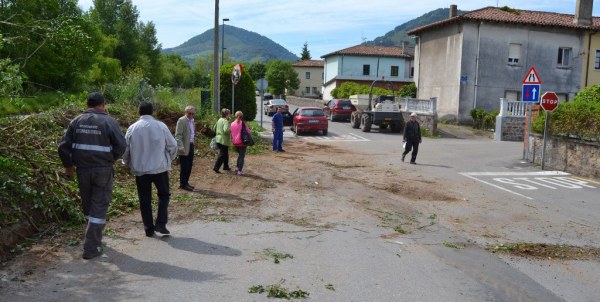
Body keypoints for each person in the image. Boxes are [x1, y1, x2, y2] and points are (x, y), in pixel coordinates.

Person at [58, 92, 126, 260]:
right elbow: (121, 146)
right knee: (99, 206)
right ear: (103, 105)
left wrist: (68, 168)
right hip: (102, 170)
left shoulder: (76, 121)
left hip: (82, 170)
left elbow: (63, 147)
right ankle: (91, 247)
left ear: (87, 104)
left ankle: (93, 237)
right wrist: (111, 158)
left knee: (89, 206)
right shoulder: (109, 121)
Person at [123, 102, 178, 237]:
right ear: (152, 112)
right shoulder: (160, 126)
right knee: (164, 195)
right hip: (159, 168)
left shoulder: (132, 128)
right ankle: (161, 223)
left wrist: (128, 163)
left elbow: (125, 149)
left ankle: (148, 228)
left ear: (139, 112)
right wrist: (170, 158)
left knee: (144, 199)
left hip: (140, 170)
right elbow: (173, 145)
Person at [175, 106, 196, 191]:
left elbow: (192, 134)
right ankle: (183, 184)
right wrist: (180, 146)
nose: (191, 115)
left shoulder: (192, 121)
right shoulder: (181, 120)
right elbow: (178, 135)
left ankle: (186, 182)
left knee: (190, 165)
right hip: (184, 146)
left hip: (191, 145)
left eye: (192, 113)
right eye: (189, 113)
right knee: (184, 166)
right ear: (185, 113)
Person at [230, 111, 251, 176]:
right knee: (242, 156)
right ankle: (239, 170)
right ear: (242, 116)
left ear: (235, 116)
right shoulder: (243, 123)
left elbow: (231, 133)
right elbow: (249, 132)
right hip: (242, 142)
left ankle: (237, 168)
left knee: (239, 155)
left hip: (235, 142)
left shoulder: (232, 123)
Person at [213, 108, 232, 173]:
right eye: (229, 114)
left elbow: (214, 128)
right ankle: (216, 167)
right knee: (222, 154)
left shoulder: (219, 120)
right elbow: (226, 130)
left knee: (225, 153)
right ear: (227, 114)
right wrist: (230, 129)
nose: (230, 115)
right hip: (223, 140)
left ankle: (226, 166)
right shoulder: (225, 121)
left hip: (218, 139)